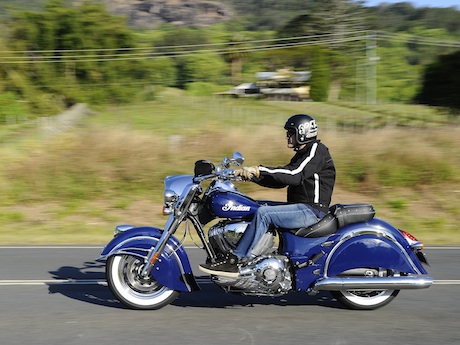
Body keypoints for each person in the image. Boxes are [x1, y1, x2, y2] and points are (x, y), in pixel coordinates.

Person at [199, 114, 336, 277]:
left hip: (311, 211)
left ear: (302, 132)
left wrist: (260, 169)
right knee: (257, 205)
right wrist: (252, 176)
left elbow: (294, 174)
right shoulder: (302, 153)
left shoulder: (316, 150)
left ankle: (236, 260)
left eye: (291, 132)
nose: (287, 136)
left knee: (264, 214)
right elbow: (282, 181)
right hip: (300, 206)